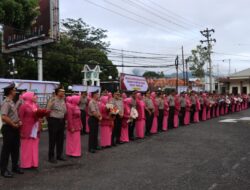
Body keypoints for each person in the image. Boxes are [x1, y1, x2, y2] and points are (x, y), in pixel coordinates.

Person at [0, 83, 24, 178]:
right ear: (10, 91)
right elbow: (4, 117)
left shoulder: (12, 102)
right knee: (6, 150)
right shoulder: (6, 102)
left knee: (15, 148)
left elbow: (13, 115)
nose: (15, 91)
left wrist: (18, 121)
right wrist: (13, 124)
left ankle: (15, 166)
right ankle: (3, 169)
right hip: (9, 128)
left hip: (14, 128)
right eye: (14, 90)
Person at [18, 92, 41, 169]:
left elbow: (38, 116)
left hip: (35, 127)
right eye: (34, 96)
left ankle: (34, 163)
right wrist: (21, 130)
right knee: (26, 146)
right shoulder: (23, 106)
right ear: (29, 97)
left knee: (34, 146)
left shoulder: (36, 105)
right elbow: (20, 118)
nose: (36, 97)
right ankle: (26, 164)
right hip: (26, 128)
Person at [47, 86, 67, 163]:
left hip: (61, 120)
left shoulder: (63, 100)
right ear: (57, 92)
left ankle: (59, 155)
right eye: (61, 91)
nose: (63, 93)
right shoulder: (52, 99)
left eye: (63, 91)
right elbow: (48, 110)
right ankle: (51, 157)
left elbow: (64, 111)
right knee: (52, 139)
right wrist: (50, 121)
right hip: (54, 120)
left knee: (60, 139)